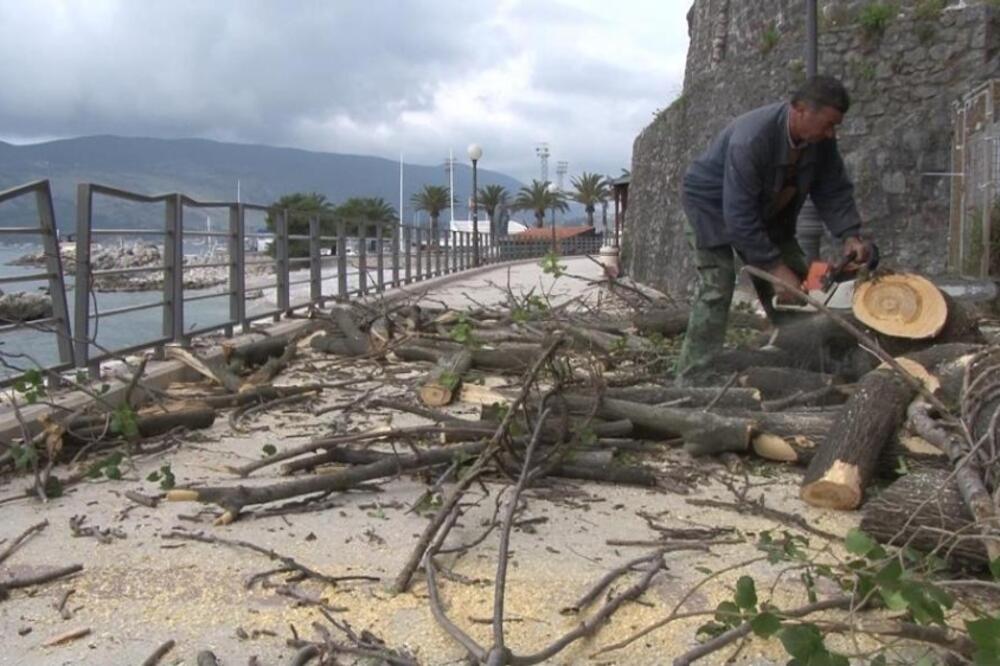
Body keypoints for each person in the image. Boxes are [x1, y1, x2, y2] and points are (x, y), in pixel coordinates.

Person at [675, 75, 874, 380]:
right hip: (711, 208)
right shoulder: (752, 139)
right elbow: (739, 217)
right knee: (718, 286)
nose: (832, 133)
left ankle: (805, 357)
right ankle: (693, 375)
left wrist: (850, 234)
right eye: (828, 124)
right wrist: (775, 270)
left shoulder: (820, 143)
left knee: (803, 287)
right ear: (800, 110)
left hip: (768, 211)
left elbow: (833, 189)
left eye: (836, 126)